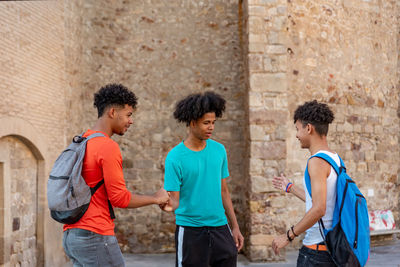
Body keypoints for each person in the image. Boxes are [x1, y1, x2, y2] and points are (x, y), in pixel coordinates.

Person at [62, 83, 169, 267]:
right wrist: (155, 198)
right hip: (94, 235)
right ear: (112, 112)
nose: (131, 121)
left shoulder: (82, 140)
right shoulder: (107, 146)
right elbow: (119, 198)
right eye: (128, 115)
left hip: (72, 236)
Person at [161, 91, 244, 267]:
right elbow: (174, 200)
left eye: (213, 122)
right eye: (206, 123)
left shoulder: (219, 150)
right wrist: (166, 205)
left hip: (221, 229)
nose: (211, 127)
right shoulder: (175, 157)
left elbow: (223, 191)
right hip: (191, 232)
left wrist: (235, 227)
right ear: (192, 123)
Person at [272, 100, 337, 266]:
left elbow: (319, 209)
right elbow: (321, 200)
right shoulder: (335, 159)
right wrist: (291, 187)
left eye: (297, 129)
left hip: (316, 253)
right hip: (331, 249)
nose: (296, 135)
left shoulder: (316, 162)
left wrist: (288, 236)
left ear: (308, 128)